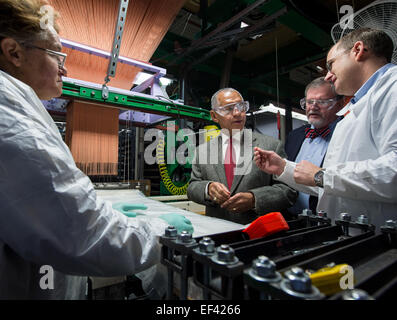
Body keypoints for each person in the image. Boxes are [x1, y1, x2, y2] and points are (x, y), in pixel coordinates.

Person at [0, 0, 192, 299]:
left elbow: (51, 209)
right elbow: (81, 234)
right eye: (55, 54)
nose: (64, 66)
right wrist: (159, 232)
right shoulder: (11, 120)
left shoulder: (17, 109)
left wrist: (106, 213)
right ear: (13, 52)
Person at [254, 28, 397, 229]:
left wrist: (322, 176)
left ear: (358, 50)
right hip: (349, 232)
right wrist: (284, 168)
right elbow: (332, 185)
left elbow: (393, 171)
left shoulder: (393, 87)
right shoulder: (353, 108)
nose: (328, 76)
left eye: (331, 65)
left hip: (379, 236)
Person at [187, 87, 297, 225]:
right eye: (228, 109)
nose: (238, 113)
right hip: (217, 232)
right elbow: (192, 187)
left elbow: (288, 191)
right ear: (214, 116)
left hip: (258, 234)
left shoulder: (271, 146)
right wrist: (207, 189)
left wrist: (254, 199)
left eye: (241, 106)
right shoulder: (202, 151)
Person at [285, 77, 345, 215]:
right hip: (291, 219)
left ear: (340, 104)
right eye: (309, 102)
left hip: (327, 220)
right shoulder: (294, 136)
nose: (313, 107)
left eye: (322, 102)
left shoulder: (348, 133)